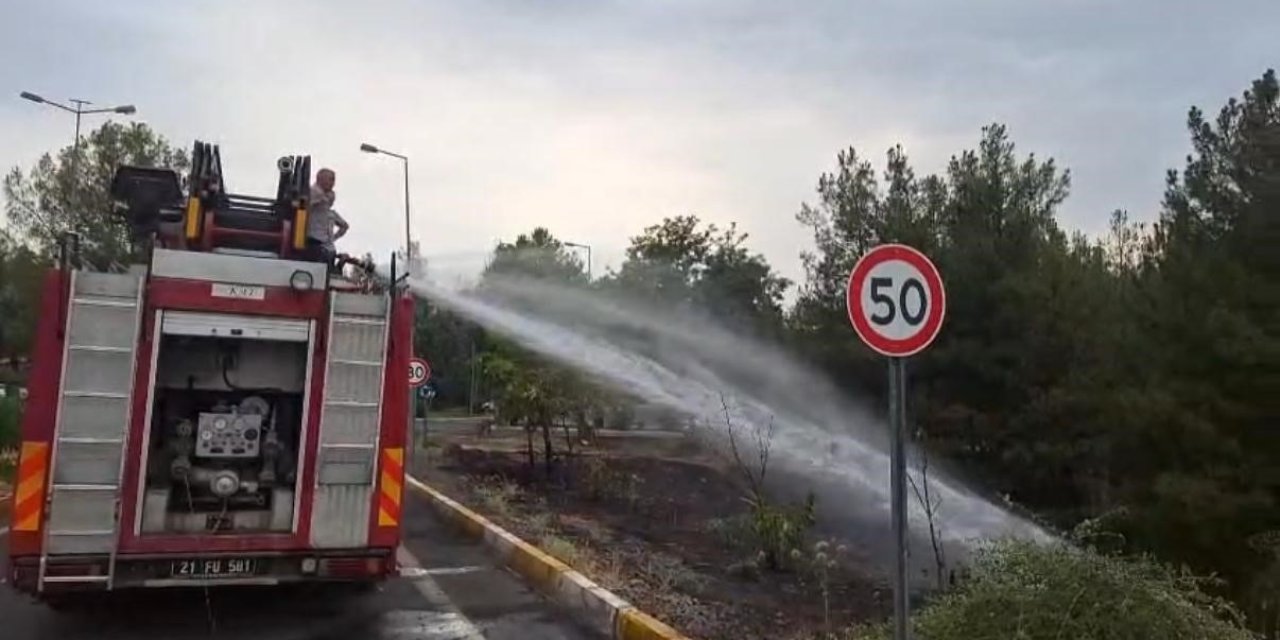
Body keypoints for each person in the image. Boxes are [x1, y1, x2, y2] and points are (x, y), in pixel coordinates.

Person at [306, 168, 349, 269]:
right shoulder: (314, 192)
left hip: (325, 246)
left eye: (333, 180)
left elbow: (345, 226)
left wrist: (332, 239)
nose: (333, 183)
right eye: (331, 179)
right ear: (320, 179)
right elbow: (305, 205)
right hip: (314, 243)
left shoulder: (330, 212)